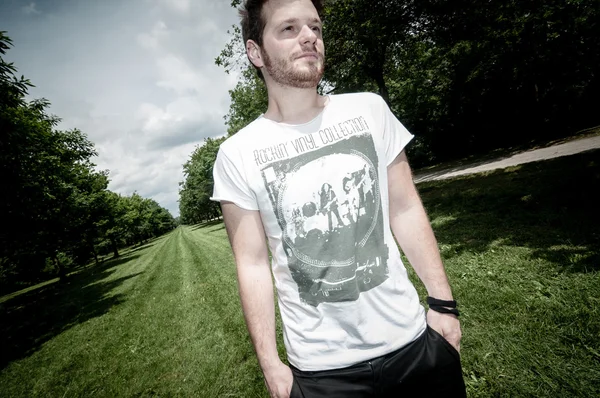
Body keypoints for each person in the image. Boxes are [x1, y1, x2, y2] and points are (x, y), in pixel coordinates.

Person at [211, 0, 466, 397]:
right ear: (255, 52)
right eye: (289, 29)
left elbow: (405, 208)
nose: (309, 37)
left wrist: (444, 304)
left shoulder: (369, 108)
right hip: (322, 373)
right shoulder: (236, 154)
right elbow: (253, 263)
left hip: (414, 344)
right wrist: (270, 364)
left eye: (314, 27)